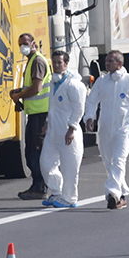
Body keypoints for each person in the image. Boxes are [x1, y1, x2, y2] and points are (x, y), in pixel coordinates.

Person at [83, 50, 129, 210]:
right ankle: (121, 195)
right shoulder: (102, 81)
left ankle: (112, 193)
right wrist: (89, 117)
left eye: (111, 61)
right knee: (109, 162)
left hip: (123, 130)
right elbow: (91, 101)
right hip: (104, 130)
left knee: (119, 161)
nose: (107, 63)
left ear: (119, 63)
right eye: (107, 61)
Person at [40, 50, 86, 208]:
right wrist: (47, 122)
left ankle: (70, 198)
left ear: (66, 64)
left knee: (69, 168)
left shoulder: (74, 84)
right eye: (54, 63)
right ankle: (56, 191)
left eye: (60, 63)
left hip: (69, 133)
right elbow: (53, 106)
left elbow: (79, 108)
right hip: (53, 131)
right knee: (45, 163)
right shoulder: (53, 82)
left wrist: (72, 128)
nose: (57, 66)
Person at [10, 33, 51, 200]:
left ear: (34, 43)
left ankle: (39, 187)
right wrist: (19, 93)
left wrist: (19, 96)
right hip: (34, 113)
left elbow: (36, 88)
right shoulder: (32, 60)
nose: (22, 47)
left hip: (40, 115)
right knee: (32, 152)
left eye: (25, 43)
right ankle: (39, 185)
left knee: (35, 152)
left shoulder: (37, 61)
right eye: (20, 44)